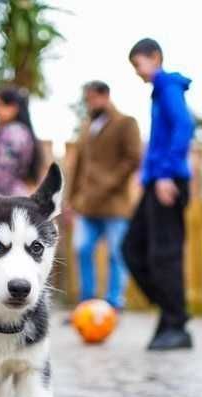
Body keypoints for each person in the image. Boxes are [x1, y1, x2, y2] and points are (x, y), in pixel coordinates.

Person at [123, 38, 195, 350]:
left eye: (139, 64)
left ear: (155, 57)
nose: (137, 72)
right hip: (155, 182)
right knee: (132, 249)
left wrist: (165, 174)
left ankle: (176, 323)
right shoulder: (159, 92)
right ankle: (171, 314)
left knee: (163, 255)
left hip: (169, 181)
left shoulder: (168, 87)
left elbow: (184, 126)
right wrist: (148, 174)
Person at [69, 81, 142, 310]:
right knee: (82, 249)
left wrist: (107, 185)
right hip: (87, 206)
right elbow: (78, 165)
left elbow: (133, 159)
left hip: (114, 205)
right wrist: (71, 198)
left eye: (93, 99)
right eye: (87, 100)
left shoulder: (126, 123)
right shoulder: (86, 126)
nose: (90, 104)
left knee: (116, 254)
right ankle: (87, 302)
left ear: (105, 96)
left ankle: (113, 302)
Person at [0, 86, 42, 196]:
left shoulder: (13, 133)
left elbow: (2, 174)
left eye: (0, 104)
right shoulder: (6, 131)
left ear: (13, 108)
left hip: (4, 200)